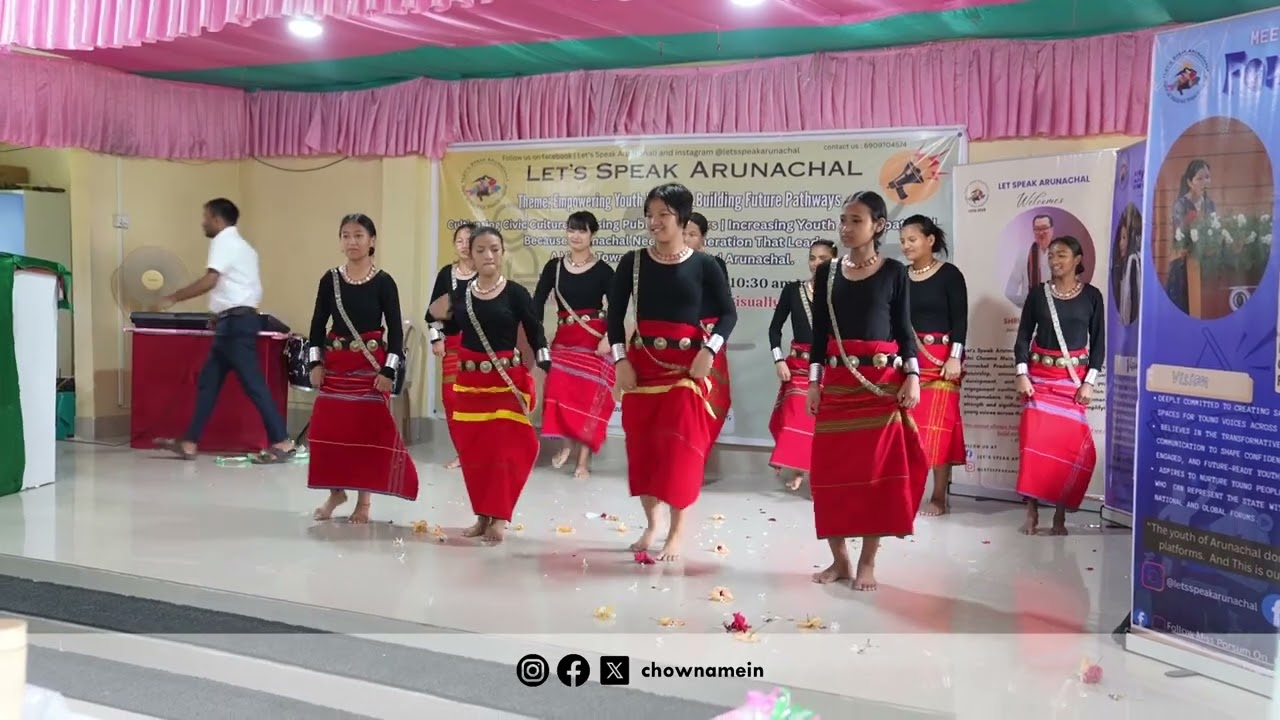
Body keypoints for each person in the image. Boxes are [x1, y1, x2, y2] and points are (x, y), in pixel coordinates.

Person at [806, 190, 927, 591]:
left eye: (856, 220)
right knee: (827, 477)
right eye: (843, 219)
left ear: (878, 226)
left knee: (876, 478)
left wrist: (913, 375)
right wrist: (813, 383)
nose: (846, 227)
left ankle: (867, 562)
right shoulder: (828, 273)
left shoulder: (894, 272)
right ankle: (839, 560)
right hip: (838, 388)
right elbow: (819, 334)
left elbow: (904, 329)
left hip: (880, 389)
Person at [609, 183, 736, 561]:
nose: (654, 221)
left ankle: (678, 531)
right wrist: (619, 362)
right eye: (650, 214)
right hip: (641, 368)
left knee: (680, 450)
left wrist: (710, 351)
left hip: (686, 371)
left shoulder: (704, 264)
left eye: (663, 214)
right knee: (644, 448)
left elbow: (729, 314)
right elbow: (615, 316)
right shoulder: (631, 262)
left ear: (682, 218)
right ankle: (653, 523)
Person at [427, 226, 550, 543]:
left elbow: (536, 334)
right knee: (475, 455)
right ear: (471, 254)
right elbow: (442, 322)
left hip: (505, 385)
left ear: (503, 253)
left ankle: (501, 517)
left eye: (494, 249)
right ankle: (482, 516)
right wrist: (435, 324)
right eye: (480, 249)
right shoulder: (461, 295)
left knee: (506, 453)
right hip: (470, 387)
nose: (488, 255)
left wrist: (545, 367)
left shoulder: (516, 293)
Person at [153, 198, 295, 463]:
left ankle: (282, 441)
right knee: (209, 382)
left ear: (217, 220)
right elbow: (240, 288)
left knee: (253, 384)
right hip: (234, 322)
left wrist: (173, 297)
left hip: (236, 326)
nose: (202, 222)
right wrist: (220, 314)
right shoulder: (245, 248)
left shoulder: (223, 241)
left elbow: (211, 279)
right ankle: (190, 442)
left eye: (205, 217)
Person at [306, 214, 418, 523]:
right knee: (326, 433)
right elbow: (317, 322)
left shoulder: (384, 282)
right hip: (336, 368)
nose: (351, 242)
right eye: (345, 235)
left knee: (365, 434)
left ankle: (363, 502)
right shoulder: (330, 279)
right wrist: (315, 362)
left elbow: (394, 331)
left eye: (358, 235)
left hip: (370, 371)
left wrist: (388, 371)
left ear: (372, 241)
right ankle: (335, 492)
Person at [1013, 235, 1104, 536]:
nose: (1054, 260)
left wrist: (1089, 383)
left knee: (1066, 450)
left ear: (1077, 260)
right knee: (1033, 446)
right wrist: (1022, 374)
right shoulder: (1038, 295)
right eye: (1051, 255)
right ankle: (1031, 511)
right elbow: (1024, 336)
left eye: (1062, 255)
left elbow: (1099, 344)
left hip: (1072, 381)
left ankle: (1060, 516)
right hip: (1039, 378)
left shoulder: (1092, 296)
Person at [532, 211, 615, 479]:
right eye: (571, 230)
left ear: (593, 235)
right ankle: (567, 444)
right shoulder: (554, 267)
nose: (575, 236)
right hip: (564, 340)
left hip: (594, 341)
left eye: (582, 231)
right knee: (558, 390)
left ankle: (583, 460)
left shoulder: (604, 270)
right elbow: (536, 303)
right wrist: (536, 337)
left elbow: (617, 307)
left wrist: (609, 338)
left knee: (588, 399)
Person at [899, 215, 968, 516]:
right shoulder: (900, 277)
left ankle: (939, 496)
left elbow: (961, 320)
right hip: (911, 361)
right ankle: (905, 491)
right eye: (903, 241)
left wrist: (955, 356)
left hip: (941, 362)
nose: (906, 246)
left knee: (937, 430)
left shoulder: (949, 274)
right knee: (907, 430)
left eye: (912, 239)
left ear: (930, 240)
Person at [766, 239, 836, 491]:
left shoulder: (840, 290)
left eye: (823, 259)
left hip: (830, 366)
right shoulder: (793, 290)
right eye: (812, 258)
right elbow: (774, 329)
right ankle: (798, 468)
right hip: (798, 365)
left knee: (825, 422)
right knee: (797, 415)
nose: (817, 263)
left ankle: (819, 475)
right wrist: (778, 359)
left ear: (834, 261)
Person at [426, 223, 477, 470]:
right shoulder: (447, 274)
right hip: (453, 346)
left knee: (478, 400)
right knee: (452, 399)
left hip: (481, 349)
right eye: (460, 241)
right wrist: (436, 339)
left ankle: (482, 451)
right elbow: (433, 311)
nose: (465, 245)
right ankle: (463, 452)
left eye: (469, 240)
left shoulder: (488, 271)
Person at [684, 212, 732, 440]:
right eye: (683, 233)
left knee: (711, 397)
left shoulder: (714, 265)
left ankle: (700, 454)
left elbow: (728, 311)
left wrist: (713, 344)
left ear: (703, 238)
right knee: (682, 399)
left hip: (709, 338)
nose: (686, 239)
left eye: (692, 234)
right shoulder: (666, 265)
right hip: (678, 340)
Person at [1004, 213, 1054, 308]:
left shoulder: (1061, 253)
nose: (1041, 232)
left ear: (1052, 230)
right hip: (1031, 312)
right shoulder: (1024, 254)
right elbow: (1010, 291)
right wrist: (1028, 304)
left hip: (1058, 311)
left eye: (1044, 228)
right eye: (1037, 229)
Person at [1112, 204, 1142, 325]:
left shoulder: (1133, 261)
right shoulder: (1121, 265)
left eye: (1124, 238)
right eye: (1120, 238)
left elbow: (1134, 300)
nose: (1121, 243)